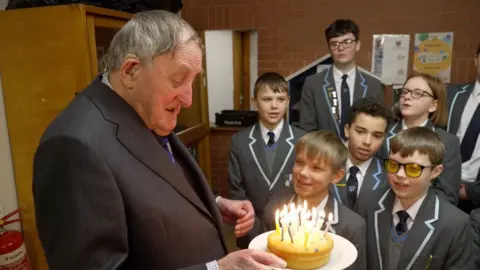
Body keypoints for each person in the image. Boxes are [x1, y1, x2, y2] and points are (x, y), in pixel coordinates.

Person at [32, 10, 287, 270]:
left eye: (193, 81)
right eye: (178, 80)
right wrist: (216, 269)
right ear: (131, 71)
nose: (188, 99)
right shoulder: (73, 146)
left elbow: (153, 186)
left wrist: (215, 204)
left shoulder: (141, 108)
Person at [360, 127, 474, 270]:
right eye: (394, 165)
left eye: (413, 168)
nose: (400, 174)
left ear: (435, 171)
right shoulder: (368, 202)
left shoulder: (454, 224)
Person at [261, 131, 367, 270]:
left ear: (337, 176)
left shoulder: (352, 226)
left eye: (316, 168)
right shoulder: (273, 210)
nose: (303, 173)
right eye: (299, 162)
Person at [228, 72, 306, 248]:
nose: (274, 106)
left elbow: (307, 187)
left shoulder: (303, 140)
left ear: (288, 101)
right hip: (251, 227)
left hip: (292, 230)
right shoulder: (239, 141)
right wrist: (253, 227)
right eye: (267, 99)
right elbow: (236, 190)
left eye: (280, 99)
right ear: (255, 102)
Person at [382, 73, 461, 206]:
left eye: (417, 93)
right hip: (381, 207)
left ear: (433, 105)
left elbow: (448, 195)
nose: (407, 97)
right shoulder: (382, 132)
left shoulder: (447, 141)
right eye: (405, 91)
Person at [299, 18, 384, 140]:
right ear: (329, 48)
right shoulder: (313, 84)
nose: (341, 48)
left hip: (361, 154)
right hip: (324, 154)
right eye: (334, 44)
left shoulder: (373, 85)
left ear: (358, 45)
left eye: (347, 42)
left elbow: (378, 128)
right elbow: (307, 130)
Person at [330, 97, 390, 215]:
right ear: (347, 130)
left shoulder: (387, 178)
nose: (367, 141)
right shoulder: (325, 165)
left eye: (377, 136)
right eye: (360, 131)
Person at [448, 44, 480, 213]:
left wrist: (472, 192)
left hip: (476, 199)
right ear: (476, 59)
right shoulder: (452, 95)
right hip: (442, 190)